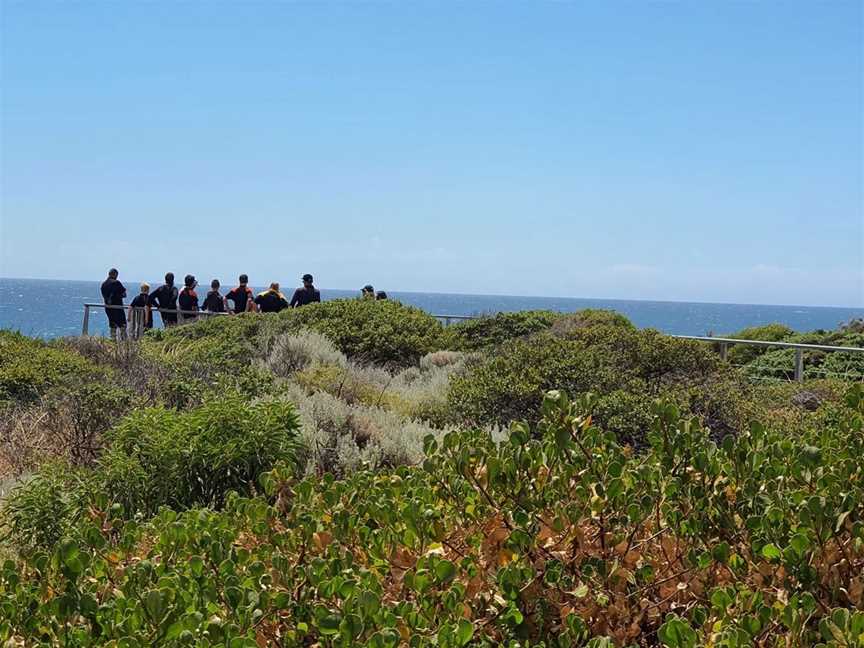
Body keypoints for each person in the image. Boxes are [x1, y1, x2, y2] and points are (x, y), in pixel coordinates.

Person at [100, 268, 127, 340]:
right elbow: (124, 294)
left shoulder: (103, 284)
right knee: (123, 325)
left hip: (108, 308)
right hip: (118, 308)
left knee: (112, 325)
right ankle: (124, 342)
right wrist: (118, 296)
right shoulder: (117, 283)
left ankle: (113, 340)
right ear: (115, 274)